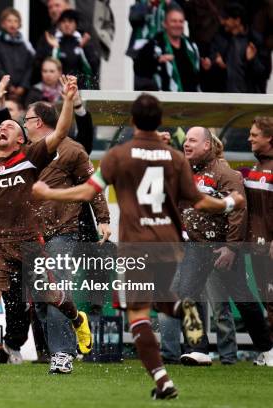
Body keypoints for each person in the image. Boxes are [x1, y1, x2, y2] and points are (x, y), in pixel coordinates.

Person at [32, 93, 246, 399]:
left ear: (133, 122)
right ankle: (184, 325)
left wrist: (48, 193)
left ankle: (164, 379)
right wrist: (229, 203)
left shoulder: (119, 155)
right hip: (171, 245)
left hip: (137, 246)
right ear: (160, 123)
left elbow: (85, 192)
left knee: (139, 315)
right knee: (160, 301)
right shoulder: (175, 158)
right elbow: (200, 201)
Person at [0, 75, 93, 382]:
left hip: (28, 241)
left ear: (21, 140)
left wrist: (67, 99)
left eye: (10, 127)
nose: (3, 128)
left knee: (49, 294)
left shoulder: (30, 157)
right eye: (1, 127)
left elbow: (61, 130)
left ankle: (78, 319)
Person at [24, 99, 110, 374]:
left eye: (26, 120)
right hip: (31, 234)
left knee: (55, 292)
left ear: (38, 122)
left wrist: (104, 219)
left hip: (62, 230)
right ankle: (59, 346)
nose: (23, 125)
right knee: (38, 299)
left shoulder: (72, 150)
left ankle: (62, 354)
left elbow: (93, 186)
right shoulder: (25, 152)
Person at [177, 126, 273, 366]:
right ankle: (198, 349)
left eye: (192, 140)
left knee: (243, 300)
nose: (186, 144)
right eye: (186, 140)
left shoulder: (226, 174)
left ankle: (268, 349)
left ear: (207, 145)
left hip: (222, 248)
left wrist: (231, 247)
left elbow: (238, 213)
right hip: (195, 247)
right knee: (186, 295)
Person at [244, 116, 273, 366]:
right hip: (256, 245)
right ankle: (269, 353)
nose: (249, 138)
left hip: (270, 246)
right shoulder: (257, 167)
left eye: (254, 134)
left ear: (269, 138)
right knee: (266, 298)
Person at [134, 4, 201, 92]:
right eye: (174, 21)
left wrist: (206, 68)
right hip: (163, 100)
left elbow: (199, 76)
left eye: (181, 21)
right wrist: (156, 61)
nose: (178, 24)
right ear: (165, 24)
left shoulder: (192, 46)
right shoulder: (154, 44)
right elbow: (138, 69)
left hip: (192, 100)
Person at [37, 9, 99, 90]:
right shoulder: (52, 40)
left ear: (76, 24)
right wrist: (53, 48)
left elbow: (94, 67)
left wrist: (85, 47)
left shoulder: (83, 40)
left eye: (70, 21)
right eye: (63, 21)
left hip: (82, 88)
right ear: (59, 24)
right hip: (58, 90)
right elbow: (40, 66)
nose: (67, 24)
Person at [0, 8, 34, 102]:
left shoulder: (25, 45)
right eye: (9, 21)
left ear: (19, 24)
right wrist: (9, 86)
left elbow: (29, 68)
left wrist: (23, 86)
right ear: (3, 23)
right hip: (3, 90)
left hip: (22, 92)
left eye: (16, 21)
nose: (12, 24)